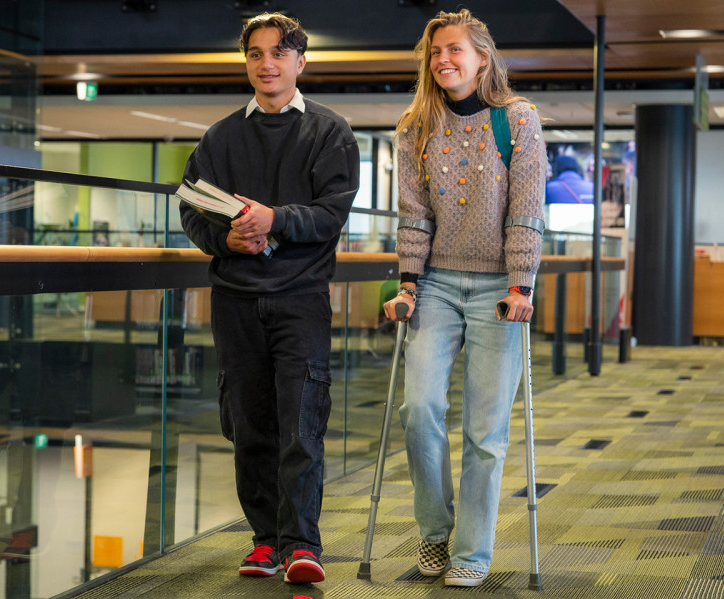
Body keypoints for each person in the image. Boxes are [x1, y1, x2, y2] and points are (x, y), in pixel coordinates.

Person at [177, 12, 359, 586]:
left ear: (300, 62)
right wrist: (224, 236)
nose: (267, 63)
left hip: (300, 298)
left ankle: (302, 544)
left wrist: (273, 217)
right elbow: (191, 209)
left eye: (279, 53)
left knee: (302, 426)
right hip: (234, 299)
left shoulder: (330, 132)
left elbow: (332, 215)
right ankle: (264, 542)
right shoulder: (219, 137)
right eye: (255, 54)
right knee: (249, 427)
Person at [381, 9, 545, 588]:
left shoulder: (518, 121)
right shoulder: (415, 127)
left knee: (485, 431)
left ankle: (472, 553)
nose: (443, 60)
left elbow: (527, 212)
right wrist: (406, 281)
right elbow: (414, 215)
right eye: (435, 52)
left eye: (454, 50)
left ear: (482, 56)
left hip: (500, 290)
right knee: (418, 410)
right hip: (436, 286)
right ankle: (433, 534)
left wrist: (521, 284)